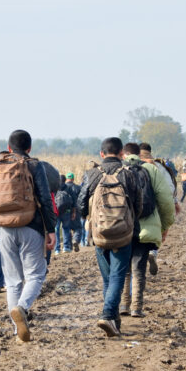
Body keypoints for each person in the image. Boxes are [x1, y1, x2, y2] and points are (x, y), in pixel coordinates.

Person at [0, 130, 56, 342]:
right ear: (29, 148)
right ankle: (22, 308)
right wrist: (51, 230)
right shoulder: (34, 165)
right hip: (31, 226)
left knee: (12, 281)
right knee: (36, 274)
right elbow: (46, 200)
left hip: (4, 228)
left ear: (9, 148)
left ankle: (16, 329)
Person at [77, 137, 142, 337]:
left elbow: (80, 204)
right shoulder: (129, 175)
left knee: (107, 279)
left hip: (99, 235)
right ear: (121, 153)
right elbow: (139, 205)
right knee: (117, 277)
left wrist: (91, 219)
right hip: (123, 234)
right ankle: (108, 316)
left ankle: (113, 320)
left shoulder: (92, 174)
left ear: (102, 154)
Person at [121, 143, 176, 317]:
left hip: (122, 226)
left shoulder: (119, 169)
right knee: (138, 268)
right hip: (146, 226)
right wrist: (165, 225)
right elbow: (166, 200)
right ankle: (136, 307)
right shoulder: (152, 170)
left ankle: (123, 305)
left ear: (124, 154)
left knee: (124, 268)